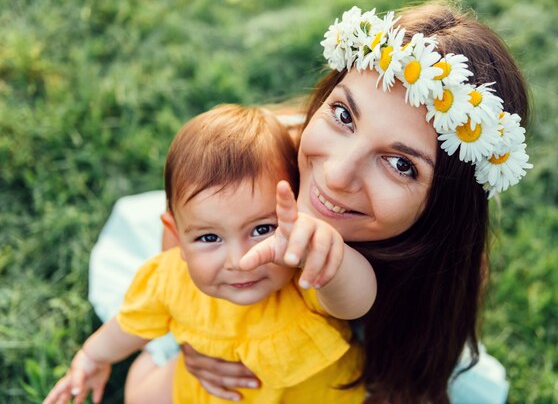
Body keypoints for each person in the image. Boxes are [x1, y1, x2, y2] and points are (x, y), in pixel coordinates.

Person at [90, 0, 532, 404]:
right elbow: (181, 260)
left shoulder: (434, 276)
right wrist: (196, 339)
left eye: (400, 164)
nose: (337, 175)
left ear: (443, 206)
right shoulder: (273, 160)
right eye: (344, 115)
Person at [45, 104, 376, 404]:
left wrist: (328, 255)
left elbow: (356, 300)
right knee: (140, 395)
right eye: (208, 237)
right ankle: (157, 365)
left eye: (263, 229)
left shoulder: (299, 278)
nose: (238, 260)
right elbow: (130, 324)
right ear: (176, 236)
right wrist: (92, 357)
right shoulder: (169, 281)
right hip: (216, 394)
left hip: (312, 396)